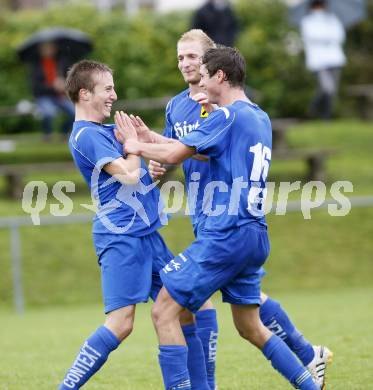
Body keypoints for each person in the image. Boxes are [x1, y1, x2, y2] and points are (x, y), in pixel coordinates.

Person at [124, 46, 324, 390]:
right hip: (254, 233)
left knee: (163, 310)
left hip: (226, 233)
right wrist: (152, 139)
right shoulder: (257, 116)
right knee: (250, 327)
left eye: (203, 75)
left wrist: (134, 145)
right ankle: (311, 384)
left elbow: (175, 153)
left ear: (219, 76)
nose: (198, 81)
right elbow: (196, 152)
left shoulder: (225, 116)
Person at [58, 60, 209, 389]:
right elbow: (126, 173)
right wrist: (134, 152)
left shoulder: (102, 130)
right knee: (121, 323)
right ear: (84, 94)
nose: (114, 94)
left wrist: (148, 171)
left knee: (183, 308)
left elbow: (133, 174)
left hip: (146, 235)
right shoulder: (86, 134)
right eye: (107, 88)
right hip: (121, 237)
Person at [300, 0, 346, 119]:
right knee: (327, 89)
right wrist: (327, 36)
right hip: (318, 62)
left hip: (335, 59)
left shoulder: (333, 19)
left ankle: (326, 117)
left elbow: (340, 36)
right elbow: (311, 37)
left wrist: (327, 35)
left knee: (332, 92)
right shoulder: (307, 22)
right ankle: (313, 108)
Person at [30, 41, 75, 141]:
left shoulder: (62, 62)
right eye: (45, 48)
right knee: (48, 113)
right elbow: (35, 87)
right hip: (44, 96)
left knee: (75, 112)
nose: (48, 51)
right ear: (40, 51)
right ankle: (47, 135)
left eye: (50, 48)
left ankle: (64, 133)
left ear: (55, 49)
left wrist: (64, 84)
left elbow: (71, 80)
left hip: (60, 96)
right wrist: (52, 87)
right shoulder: (36, 66)